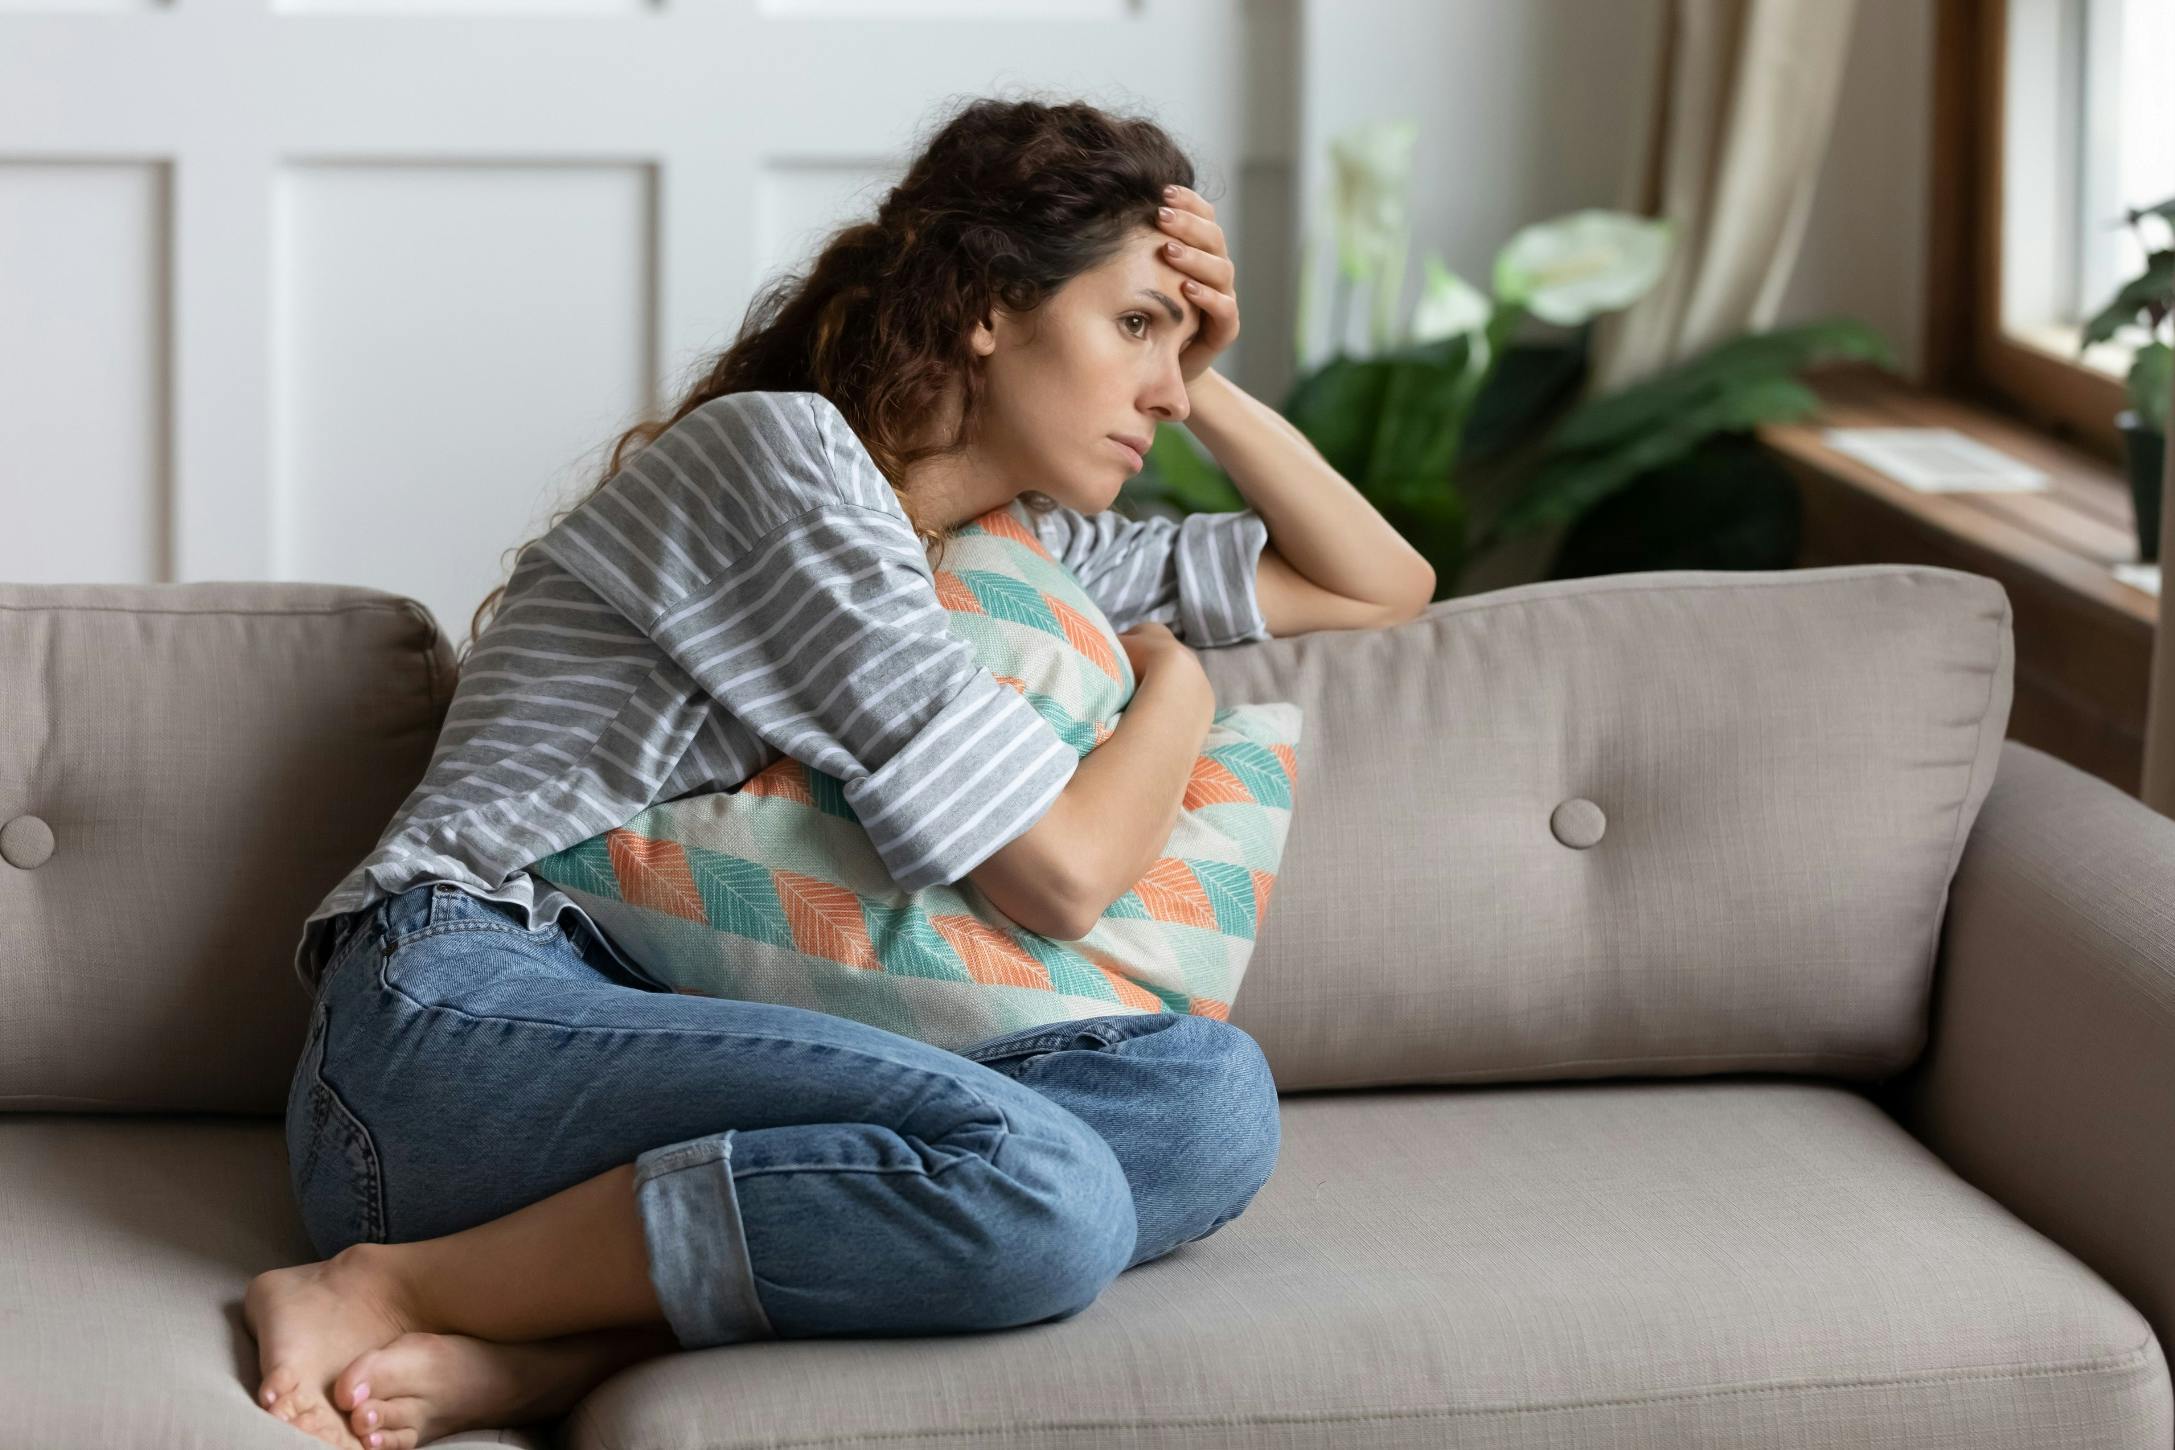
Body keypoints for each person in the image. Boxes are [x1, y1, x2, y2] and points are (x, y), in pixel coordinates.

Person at [246, 94, 1435, 1450]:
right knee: (1045, 1191)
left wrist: (1207, 375)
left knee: (1205, 1102)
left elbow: (1382, 584)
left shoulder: (1011, 548)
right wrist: (1184, 684)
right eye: (1133, 327)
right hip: (456, 1024)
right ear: (991, 303)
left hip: (664, 1034)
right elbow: (1060, 875)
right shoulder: (791, 464)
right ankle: (389, 1280)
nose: (1160, 388)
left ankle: (568, 1345)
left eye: (1177, 346)